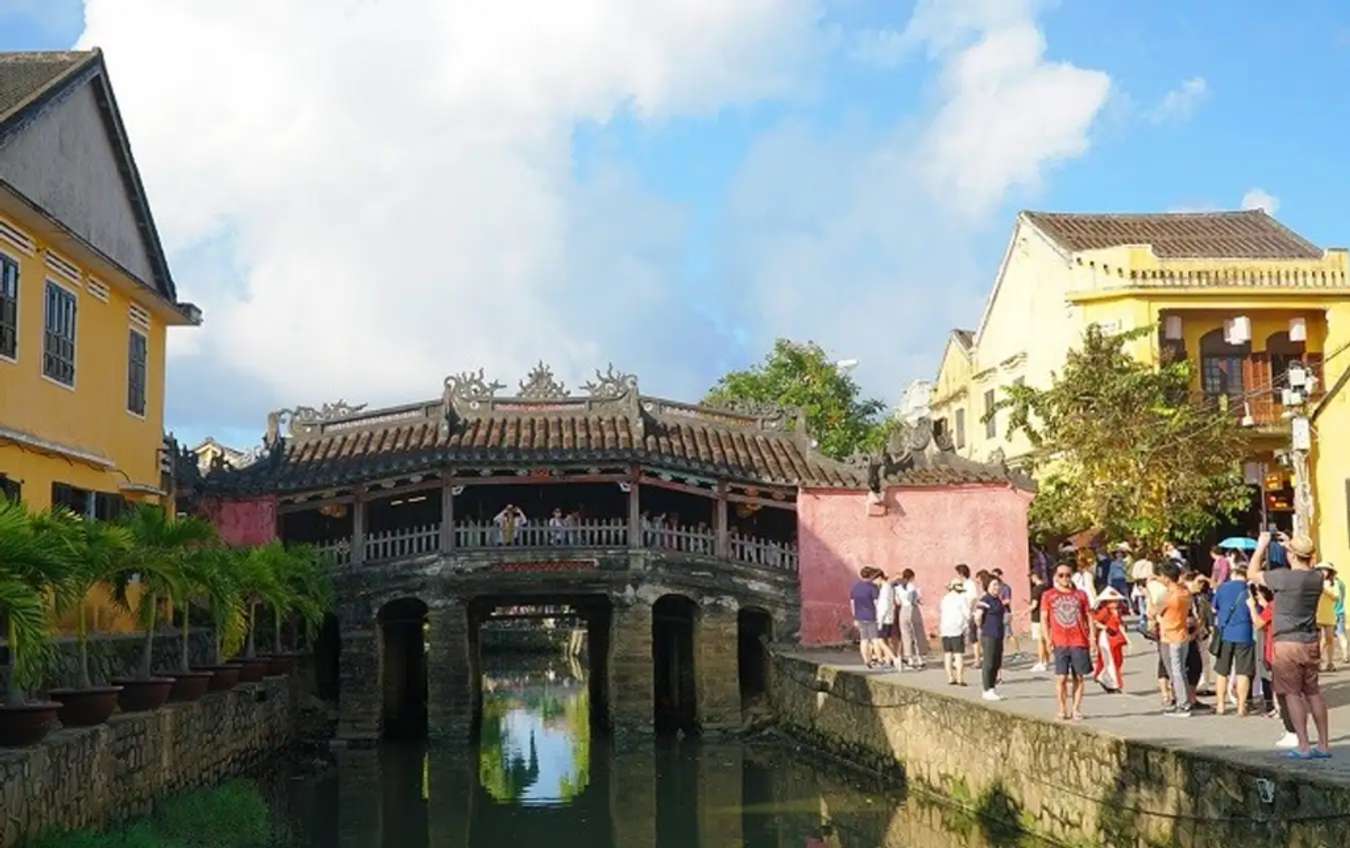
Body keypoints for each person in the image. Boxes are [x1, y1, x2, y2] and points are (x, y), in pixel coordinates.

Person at [1250, 532, 1331, 759]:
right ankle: (1323, 744)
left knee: (1292, 693)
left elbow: (1252, 574)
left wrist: (1261, 546)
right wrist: (1293, 544)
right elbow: (1308, 562)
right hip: (1310, 640)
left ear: (1292, 555)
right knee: (1313, 691)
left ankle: (1303, 744)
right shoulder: (1317, 578)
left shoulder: (1283, 578)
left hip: (1286, 641)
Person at [1040, 562, 1094, 721]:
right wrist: (1047, 638)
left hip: (1079, 640)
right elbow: (1044, 619)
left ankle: (1076, 708)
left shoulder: (1081, 595)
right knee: (1061, 677)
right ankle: (1062, 708)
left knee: (1079, 676)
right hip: (1059, 641)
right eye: (1061, 575)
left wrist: (1093, 637)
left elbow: (1089, 617)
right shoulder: (1048, 595)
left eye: (1067, 575)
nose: (1064, 578)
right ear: (1056, 577)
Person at [1212, 566, 1255, 716]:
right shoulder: (1251, 590)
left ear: (1234, 574)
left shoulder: (1222, 588)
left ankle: (1220, 705)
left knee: (1222, 671)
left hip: (1225, 633)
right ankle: (1241, 707)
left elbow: (1215, 607)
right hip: (1245, 633)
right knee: (1243, 672)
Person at [1155, 561, 1195, 717]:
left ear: (1166, 578)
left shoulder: (1168, 595)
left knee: (1175, 671)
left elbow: (1154, 611)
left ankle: (1183, 704)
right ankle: (1184, 700)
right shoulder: (1185, 593)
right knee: (1180, 671)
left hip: (1170, 635)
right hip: (1182, 633)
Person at [1091, 586, 1130, 693]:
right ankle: (1114, 684)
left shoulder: (1117, 611)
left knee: (1118, 660)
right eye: (1113, 601)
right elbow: (1095, 621)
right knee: (1110, 660)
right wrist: (1105, 628)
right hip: (1107, 637)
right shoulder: (1105, 611)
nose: (1116, 603)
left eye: (1116, 601)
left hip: (1116, 638)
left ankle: (1103, 677)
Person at [975, 576, 1007, 701]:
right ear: (987, 586)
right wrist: (982, 627)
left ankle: (992, 688)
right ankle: (986, 689)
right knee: (988, 662)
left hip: (999, 634)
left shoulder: (997, 600)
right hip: (989, 635)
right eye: (994, 585)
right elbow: (978, 617)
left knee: (996, 662)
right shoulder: (985, 599)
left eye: (998, 585)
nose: (996, 587)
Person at [850, 566, 885, 668]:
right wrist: (880, 616)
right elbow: (876, 603)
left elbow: (852, 603)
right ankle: (879, 659)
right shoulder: (872, 588)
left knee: (864, 640)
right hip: (871, 616)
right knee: (875, 639)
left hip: (860, 616)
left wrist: (855, 617)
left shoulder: (855, 587)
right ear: (871, 576)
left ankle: (866, 660)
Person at [940, 579, 972, 686]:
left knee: (947, 654)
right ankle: (960, 678)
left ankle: (950, 677)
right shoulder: (961, 598)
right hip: (957, 629)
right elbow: (967, 614)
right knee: (958, 654)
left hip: (945, 629)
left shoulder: (945, 598)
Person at [895, 570, 926, 669]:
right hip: (913, 609)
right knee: (918, 634)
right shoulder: (912, 586)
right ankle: (920, 658)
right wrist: (919, 601)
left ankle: (910, 659)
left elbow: (898, 601)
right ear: (912, 577)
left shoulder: (898, 587)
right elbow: (913, 600)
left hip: (903, 610)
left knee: (906, 635)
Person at [1315, 564, 1340, 672]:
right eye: (1322, 570)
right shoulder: (1315, 582)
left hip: (1329, 613)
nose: (1324, 572)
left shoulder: (1334, 583)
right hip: (1317, 613)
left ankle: (1330, 662)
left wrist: (1325, 590)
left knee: (1329, 639)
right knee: (1318, 639)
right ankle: (1318, 662)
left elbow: (1336, 597)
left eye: (1326, 570)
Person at [955, 564, 980, 666]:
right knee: (961, 637)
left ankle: (977, 660)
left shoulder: (970, 584)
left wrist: (969, 610)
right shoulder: (964, 584)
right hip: (962, 615)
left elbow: (973, 598)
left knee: (973, 638)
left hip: (970, 614)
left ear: (961, 573)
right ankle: (959, 659)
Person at [875, 570, 900, 668]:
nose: (874, 582)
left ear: (880, 578)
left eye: (875, 579)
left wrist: (880, 620)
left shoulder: (885, 589)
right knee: (885, 640)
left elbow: (883, 606)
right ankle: (888, 660)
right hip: (889, 617)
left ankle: (894, 658)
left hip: (884, 619)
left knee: (880, 640)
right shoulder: (888, 587)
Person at [992, 568, 1018, 655]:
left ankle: (1017, 652)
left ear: (1000, 575)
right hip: (997, 613)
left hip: (1005, 613)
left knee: (1009, 633)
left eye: (996, 575)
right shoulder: (994, 587)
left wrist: (998, 604)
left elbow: (1007, 600)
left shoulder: (1005, 587)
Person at [1029, 571, 1049, 673]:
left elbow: (1034, 605)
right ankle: (1046, 661)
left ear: (1035, 576)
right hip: (1046, 616)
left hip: (1037, 617)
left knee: (1040, 640)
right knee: (1045, 640)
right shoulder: (1047, 587)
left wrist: (1026, 610)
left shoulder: (1036, 589)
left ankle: (1041, 662)